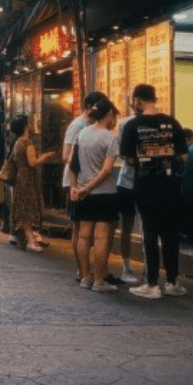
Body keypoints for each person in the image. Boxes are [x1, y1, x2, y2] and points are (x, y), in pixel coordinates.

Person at [121, 84, 189, 299]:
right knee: (170, 234)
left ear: (138, 100)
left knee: (149, 233)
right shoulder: (172, 123)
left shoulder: (133, 126)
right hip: (169, 184)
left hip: (145, 184)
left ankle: (152, 284)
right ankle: (172, 282)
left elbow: (128, 159)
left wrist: (145, 159)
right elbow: (184, 157)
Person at [68, 98, 121, 292]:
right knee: (101, 237)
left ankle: (85, 276)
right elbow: (107, 171)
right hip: (104, 193)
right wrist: (87, 189)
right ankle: (99, 280)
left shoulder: (82, 134)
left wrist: (76, 188)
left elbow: (73, 165)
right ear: (109, 115)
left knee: (83, 235)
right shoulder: (110, 137)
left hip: (83, 191)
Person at [62, 92, 108, 262]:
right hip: (76, 182)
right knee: (80, 227)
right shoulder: (78, 125)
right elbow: (66, 155)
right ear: (89, 107)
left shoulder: (92, 125)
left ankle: (86, 270)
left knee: (86, 229)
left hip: (87, 182)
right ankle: (81, 270)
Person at [9, 115, 56, 252]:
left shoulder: (17, 142)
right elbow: (32, 163)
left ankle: (29, 238)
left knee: (23, 209)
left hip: (20, 177)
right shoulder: (27, 142)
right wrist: (46, 157)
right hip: (28, 179)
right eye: (28, 123)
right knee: (27, 210)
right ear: (25, 126)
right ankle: (30, 241)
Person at [112, 112, 141, 285]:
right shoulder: (125, 123)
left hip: (141, 181)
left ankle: (146, 269)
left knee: (143, 226)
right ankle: (126, 267)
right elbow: (123, 154)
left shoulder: (158, 122)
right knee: (127, 225)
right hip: (128, 181)